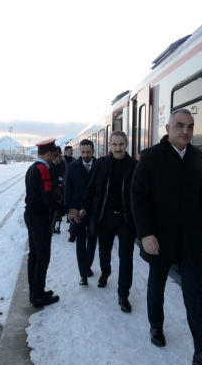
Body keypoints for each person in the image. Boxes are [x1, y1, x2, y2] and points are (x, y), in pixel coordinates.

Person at [131, 108, 202, 365]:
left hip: (191, 238)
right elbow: (138, 197)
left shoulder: (198, 158)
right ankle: (156, 326)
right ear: (168, 128)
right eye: (180, 125)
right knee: (156, 285)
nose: (186, 131)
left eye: (190, 127)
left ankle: (201, 351)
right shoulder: (149, 158)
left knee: (194, 293)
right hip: (158, 237)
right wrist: (145, 233)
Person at [78, 131, 137, 313]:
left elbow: (141, 195)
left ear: (126, 144)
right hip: (106, 216)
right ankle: (105, 271)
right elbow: (92, 188)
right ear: (109, 146)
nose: (118, 148)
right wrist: (84, 208)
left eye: (121, 145)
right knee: (104, 250)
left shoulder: (135, 166)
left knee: (126, 257)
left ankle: (123, 294)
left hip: (126, 218)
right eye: (114, 145)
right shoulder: (102, 164)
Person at [24, 139, 79, 308]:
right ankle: (39, 296)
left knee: (34, 255)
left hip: (31, 215)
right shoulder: (43, 169)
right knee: (42, 257)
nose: (55, 157)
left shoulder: (32, 168)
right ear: (48, 154)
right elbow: (48, 200)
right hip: (39, 217)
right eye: (54, 155)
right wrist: (68, 210)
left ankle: (35, 290)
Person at [65, 139, 97, 286]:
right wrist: (69, 211)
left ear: (93, 151)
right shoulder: (72, 167)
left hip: (94, 212)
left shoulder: (100, 165)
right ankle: (83, 274)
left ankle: (87, 266)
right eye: (83, 152)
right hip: (77, 212)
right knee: (80, 244)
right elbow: (68, 190)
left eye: (88, 152)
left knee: (92, 243)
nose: (85, 155)